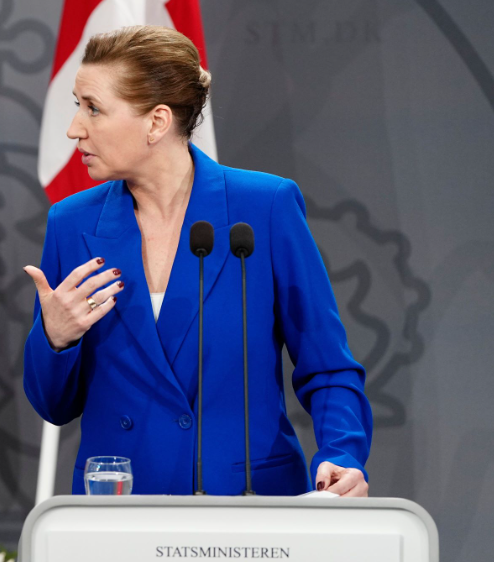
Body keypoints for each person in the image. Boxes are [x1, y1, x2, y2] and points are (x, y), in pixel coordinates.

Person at [22, 25, 371, 497]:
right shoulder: (71, 224)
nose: (74, 128)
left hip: (245, 504)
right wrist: (55, 339)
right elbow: (53, 405)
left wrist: (341, 453)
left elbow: (327, 365)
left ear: (157, 122)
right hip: (121, 511)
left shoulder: (264, 208)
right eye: (77, 105)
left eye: (94, 108)